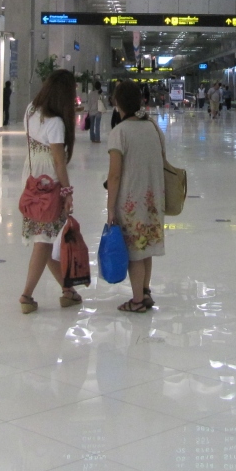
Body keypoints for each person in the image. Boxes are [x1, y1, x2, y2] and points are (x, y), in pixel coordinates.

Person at [19, 69, 82, 314]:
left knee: (43, 238)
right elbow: (58, 161)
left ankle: (68, 290)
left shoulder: (31, 110)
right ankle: (26, 295)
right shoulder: (55, 122)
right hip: (49, 183)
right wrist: (67, 192)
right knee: (44, 240)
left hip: (31, 177)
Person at [105, 80, 166, 313]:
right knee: (145, 248)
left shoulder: (119, 132)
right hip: (153, 199)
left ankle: (138, 300)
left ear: (118, 103)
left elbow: (114, 175)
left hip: (130, 200)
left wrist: (111, 208)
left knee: (134, 252)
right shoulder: (153, 127)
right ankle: (145, 290)